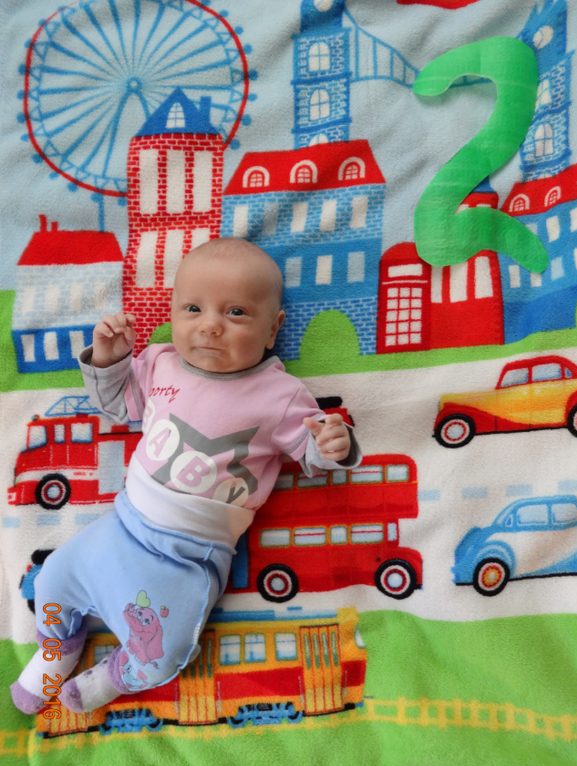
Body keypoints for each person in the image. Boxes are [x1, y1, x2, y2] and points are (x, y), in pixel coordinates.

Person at [11, 237, 361, 715]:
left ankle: (114, 676)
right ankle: (57, 651)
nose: (210, 326)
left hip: (189, 555)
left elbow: (312, 451)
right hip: (123, 525)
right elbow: (116, 407)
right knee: (52, 579)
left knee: (164, 652)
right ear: (173, 314)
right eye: (193, 309)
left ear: (273, 329)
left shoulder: (279, 395)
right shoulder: (160, 362)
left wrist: (333, 444)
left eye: (236, 313)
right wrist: (110, 359)